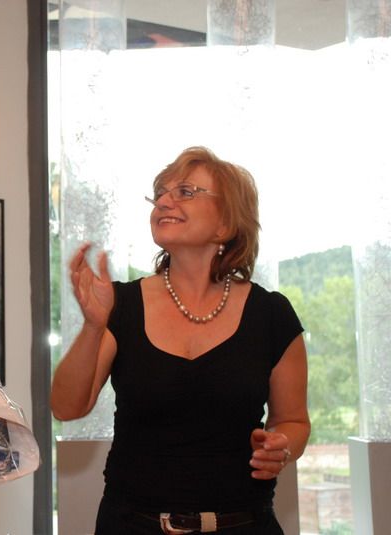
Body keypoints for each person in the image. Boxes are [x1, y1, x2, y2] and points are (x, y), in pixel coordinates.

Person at [50, 146, 310, 534]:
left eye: (185, 192)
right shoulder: (122, 304)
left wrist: (282, 446)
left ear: (226, 223)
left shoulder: (271, 314)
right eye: (160, 193)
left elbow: (293, 421)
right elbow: (66, 406)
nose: (163, 202)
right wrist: (92, 326)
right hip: (132, 525)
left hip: (244, 524)